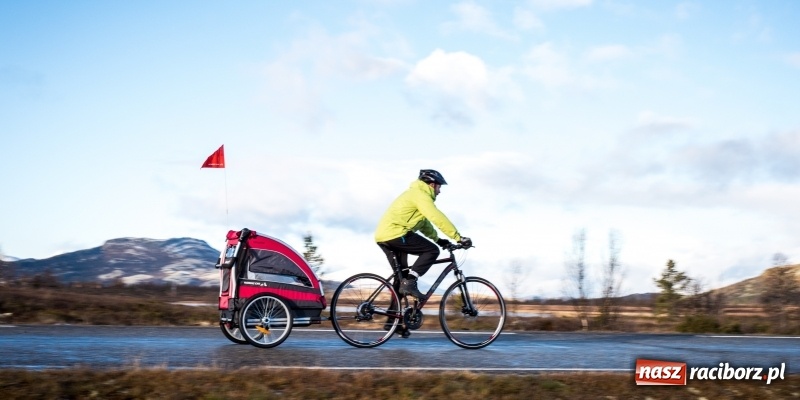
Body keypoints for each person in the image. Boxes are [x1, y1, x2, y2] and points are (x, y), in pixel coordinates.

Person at [374, 169, 471, 299]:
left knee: (401, 277)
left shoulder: (414, 194)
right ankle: (410, 282)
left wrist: (438, 239)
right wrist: (458, 237)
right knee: (431, 251)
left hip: (385, 236)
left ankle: (394, 316)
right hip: (396, 234)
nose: (440, 191)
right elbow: (436, 216)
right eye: (439, 186)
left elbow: (424, 224)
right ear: (432, 184)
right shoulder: (420, 195)